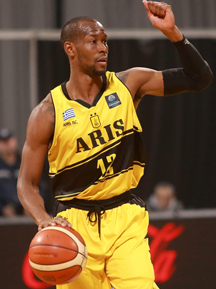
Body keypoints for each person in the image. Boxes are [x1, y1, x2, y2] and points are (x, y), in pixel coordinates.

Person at [17, 1, 213, 289]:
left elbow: (199, 78)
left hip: (125, 216)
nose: (103, 47)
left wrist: (173, 33)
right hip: (74, 222)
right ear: (70, 49)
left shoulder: (129, 84)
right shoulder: (47, 112)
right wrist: (44, 219)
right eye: (93, 41)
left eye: (105, 41)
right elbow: (26, 183)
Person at [0, 128, 24, 216]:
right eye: (3, 142)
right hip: (3, 217)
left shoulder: (26, 163)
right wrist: (2, 208)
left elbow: (39, 187)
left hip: (27, 213)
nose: (7, 144)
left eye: (9, 140)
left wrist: (33, 208)